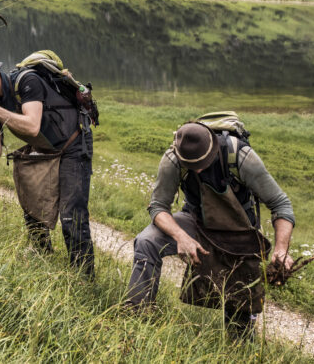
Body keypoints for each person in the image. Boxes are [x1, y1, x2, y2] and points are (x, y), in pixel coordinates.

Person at [124, 121, 296, 338]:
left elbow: (281, 204)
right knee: (147, 241)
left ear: (213, 149)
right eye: (191, 166)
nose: (197, 170)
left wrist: (281, 248)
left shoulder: (240, 156)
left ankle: (239, 345)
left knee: (239, 326)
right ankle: (134, 318)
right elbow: (158, 207)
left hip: (238, 229)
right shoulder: (173, 159)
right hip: (196, 220)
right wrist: (180, 236)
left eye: (202, 163)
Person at [0, 51, 94, 275]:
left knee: (72, 216)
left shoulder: (27, 82)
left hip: (73, 145)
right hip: (45, 149)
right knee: (32, 209)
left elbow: (32, 126)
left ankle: (83, 278)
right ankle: (43, 264)